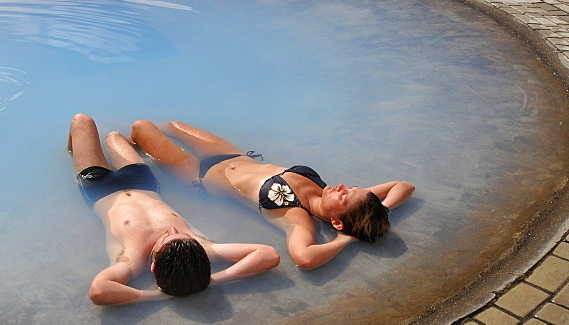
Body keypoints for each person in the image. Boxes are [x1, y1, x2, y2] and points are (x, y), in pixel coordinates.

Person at [130, 120, 414, 270]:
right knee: (172, 125)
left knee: (141, 128)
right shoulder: (329, 191)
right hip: (231, 154)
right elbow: (403, 185)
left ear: (337, 222)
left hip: (198, 177)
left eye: (344, 196)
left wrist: (346, 239)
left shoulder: (296, 219)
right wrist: (384, 208)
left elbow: (304, 258)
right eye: (349, 188)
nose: (342, 187)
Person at [68, 113, 279, 305]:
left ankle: (72, 151)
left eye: (167, 238)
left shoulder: (131, 262)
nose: (173, 231)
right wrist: (211, 281)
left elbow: (99, 291)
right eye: (181, 234)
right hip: (143, 183)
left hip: (99, 189)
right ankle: (98, 142)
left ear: (153, 266)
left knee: (82, 121)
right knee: (113, 136)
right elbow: (267, 254)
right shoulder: (203, 248)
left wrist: (157, 295)